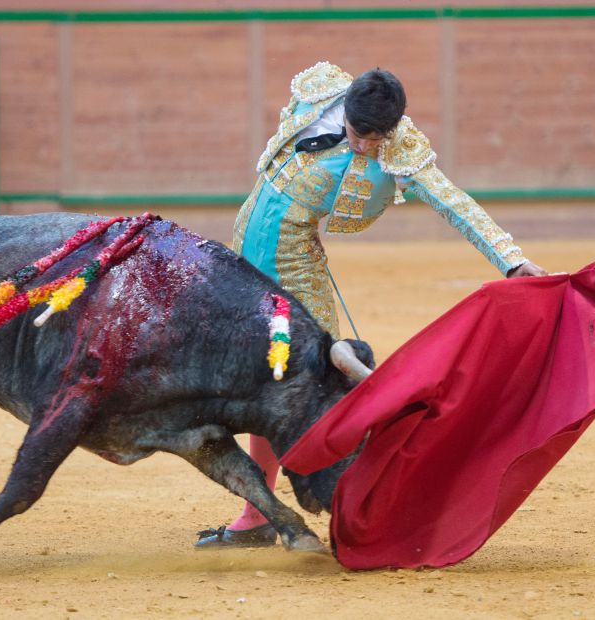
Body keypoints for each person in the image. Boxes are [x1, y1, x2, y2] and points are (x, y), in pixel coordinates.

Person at [195, 61, 547, 548]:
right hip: (244, 248)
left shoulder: (402, 151)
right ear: (346, 109)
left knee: (307, 387)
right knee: (263, 379)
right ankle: (261, 514)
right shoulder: (319, 93)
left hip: (295, 264)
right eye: (359, 133)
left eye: (375, 139)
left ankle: (363, 503)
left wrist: (511, 261)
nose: (364, 146)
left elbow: (455, 203)